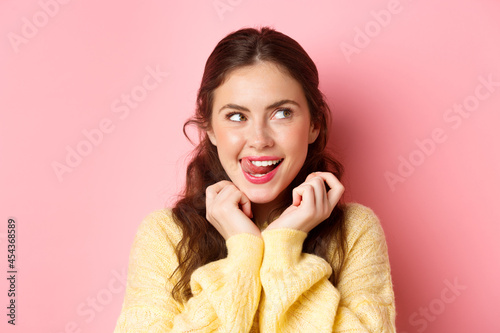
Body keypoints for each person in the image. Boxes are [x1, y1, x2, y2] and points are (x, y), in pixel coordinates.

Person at [114, 26, 396, 332]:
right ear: (209, 127)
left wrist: (283, 245)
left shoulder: (354, 231)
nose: (259, 140)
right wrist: (244, 252)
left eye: (282, 113)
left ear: (314, 124)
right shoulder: (165, 235)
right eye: (237, 116)